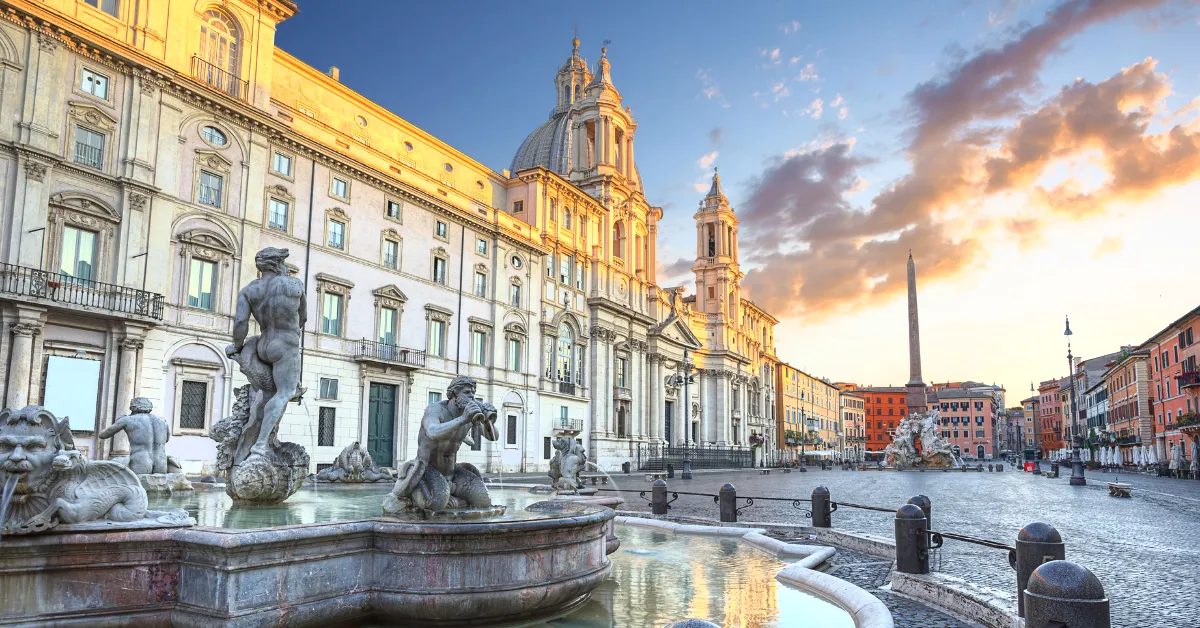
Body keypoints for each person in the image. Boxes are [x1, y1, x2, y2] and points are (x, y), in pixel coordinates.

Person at [226, 248, 306, 460]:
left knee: (268, 395)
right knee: (285, 393)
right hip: (285, 345)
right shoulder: (294, 285)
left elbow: (240, 322)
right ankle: (260, 446)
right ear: (279, 263)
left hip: (262, 344)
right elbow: (303, 318)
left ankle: (254, 439)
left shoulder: (250, 290)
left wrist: (237, 345)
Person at [98, 397, 169, 474]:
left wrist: (119, 421)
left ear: (133, 408)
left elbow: (103, 435)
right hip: (161, 463)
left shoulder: (128, 420)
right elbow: (166, 439)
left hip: (141, 462)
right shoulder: (163, 421)